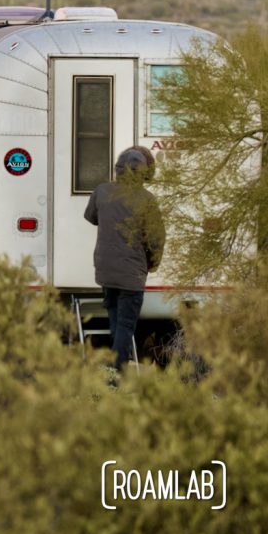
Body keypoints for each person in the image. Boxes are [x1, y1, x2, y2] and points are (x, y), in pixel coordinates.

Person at [84, 147, 165, 373]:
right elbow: (156, 239)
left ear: (118, 168)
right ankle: (117, 371)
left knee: (115, 321)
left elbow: (90, 216)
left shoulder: (101, 191)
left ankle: (116, 365)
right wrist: (153, 262)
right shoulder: (147, 200)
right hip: (131, 273)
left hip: (105, 270)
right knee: (126, 324)